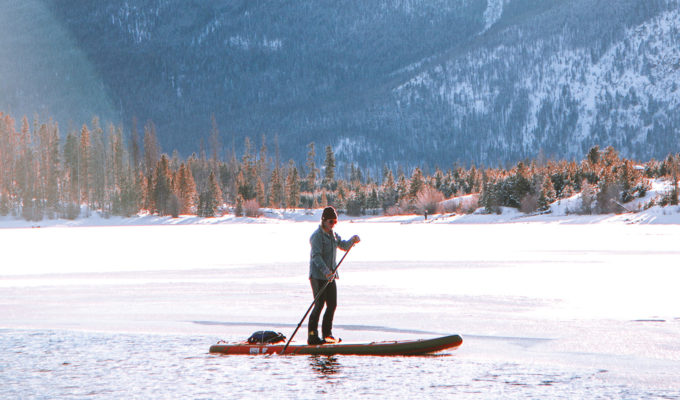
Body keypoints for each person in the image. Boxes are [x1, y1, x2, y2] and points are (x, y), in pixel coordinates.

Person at [308, 206, 360, 345]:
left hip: (330, 276)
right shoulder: (317, 236)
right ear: (324, 221)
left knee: (332, 304)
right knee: (319, 305)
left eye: (335, 222)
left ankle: (327, 334)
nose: (333, 225)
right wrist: (327, 272)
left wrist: (352, 241)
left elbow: (343, 245)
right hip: (318, 276)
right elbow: (316, 257)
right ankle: (312, 335)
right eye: (331, 222)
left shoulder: (333, 235)